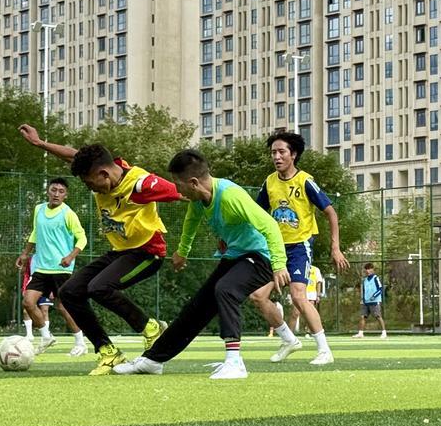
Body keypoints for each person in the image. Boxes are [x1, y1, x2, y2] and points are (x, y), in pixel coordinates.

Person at [113, 150, 289, 379]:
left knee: (225, 289)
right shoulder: (199, 200)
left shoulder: (231, 195)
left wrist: (279, 264)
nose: (178, 191)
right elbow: (191, 223)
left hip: (261, 256)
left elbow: (270, 226)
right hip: (236, 255)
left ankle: (235, 363)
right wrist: (182, 252)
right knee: (196, 308)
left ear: (194, 183)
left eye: (179, 185)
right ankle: (153, 360)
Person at [18, 124, 179, 375]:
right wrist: (40, 144)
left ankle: (151, 328)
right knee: (70, 292)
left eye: (90, 183)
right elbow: (74, 155)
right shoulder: (101, 167)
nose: (90, 188)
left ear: (103, 174)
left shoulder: (141, 185)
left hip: (148, 252)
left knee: (99, 287)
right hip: (120, 251)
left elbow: (185, 192)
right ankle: (108, 351)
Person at [250, 131, 349, 365]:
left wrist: (335, 247)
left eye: (281, 152)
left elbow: (331, 213)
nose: (276, 157)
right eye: (273, 152)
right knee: (257, 296)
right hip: (275, 248)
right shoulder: (269, 182)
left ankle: (324, 350)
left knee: (298, 296)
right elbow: (256, 213)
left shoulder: (305, 181)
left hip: (299, 246)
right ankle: (288, 340)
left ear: (293, 154)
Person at [16, 177, 89, 357]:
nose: (56, 194)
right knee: (28, 302)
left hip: (61, 269)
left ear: (66, 195)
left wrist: (70, 256)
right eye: (53, 190)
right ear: (48, 191)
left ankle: (81, 343)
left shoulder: (68, 213)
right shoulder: (39, 209)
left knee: (63, 307)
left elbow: (82, 238)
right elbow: (35, 233)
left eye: (61, 191)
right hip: (41, 268)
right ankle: (46, 337)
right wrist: (25, 254)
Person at [354, 262, 387, 338]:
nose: (368, 271)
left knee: (378, 316)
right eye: (366, 269)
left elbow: (380, 289)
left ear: (373, 269)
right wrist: (363, 300)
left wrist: (374, 296)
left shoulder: (376, 278)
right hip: (366, 302)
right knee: (363, 317)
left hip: (375, 302)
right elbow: (364, 291)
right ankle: (360, 333)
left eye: (369, 269)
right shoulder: (365, 280)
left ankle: (384, 333)